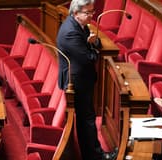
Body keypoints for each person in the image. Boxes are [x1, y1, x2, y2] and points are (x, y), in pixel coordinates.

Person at [56, 0, 116, 159]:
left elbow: (93, 41)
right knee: (87, 120)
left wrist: (94, 42)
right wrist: (93, 48)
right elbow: (89, 58)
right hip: (76, 82)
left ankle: (91, 154)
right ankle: (96, 156)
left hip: (81, 79)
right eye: (87, 13)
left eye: (92, 12)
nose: (91, 16)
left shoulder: (78, 25)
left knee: (86, 119)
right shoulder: (70, 32)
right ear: (75, 13)